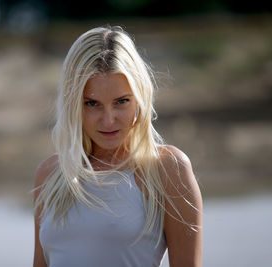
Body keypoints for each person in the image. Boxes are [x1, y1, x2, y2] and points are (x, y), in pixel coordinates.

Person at [33, 25, 202, 267]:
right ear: (73, 104)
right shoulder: (50, 174)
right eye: (92, 104)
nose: (109, 119)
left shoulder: (166, 169)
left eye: (121, 101)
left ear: (140, 98)